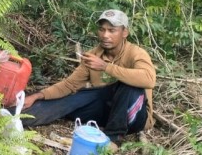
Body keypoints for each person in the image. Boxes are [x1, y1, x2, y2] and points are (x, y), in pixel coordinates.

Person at [21, 9, 156, 145]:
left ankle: (113, 140)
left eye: (111, 30)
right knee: (72, 99)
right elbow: (69, 85)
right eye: (102, 30)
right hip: (108, 113)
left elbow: (149, 80)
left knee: (127, 85)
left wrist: (105, 67)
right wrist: (38, 95)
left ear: (124, 32)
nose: (105, 35)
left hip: (134, 115)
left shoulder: (136, 53)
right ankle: (14, 116)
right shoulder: (93, 55)